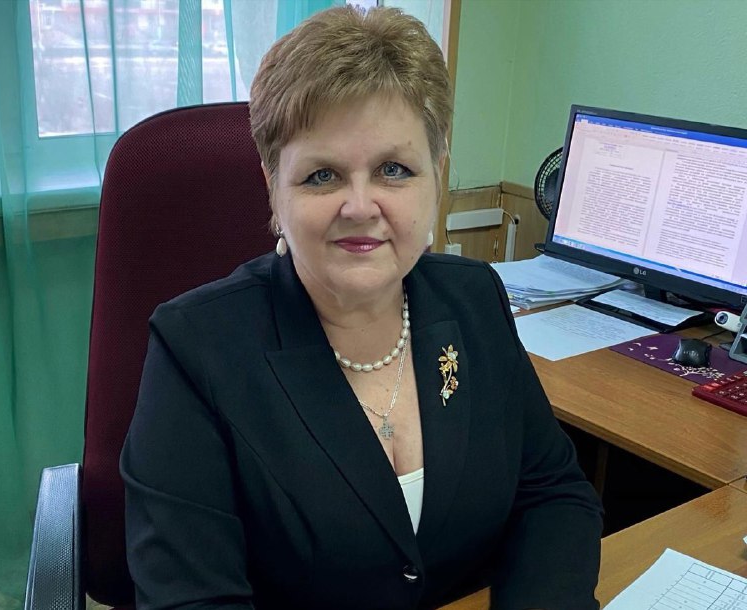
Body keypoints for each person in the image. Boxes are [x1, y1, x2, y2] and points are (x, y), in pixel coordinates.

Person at [121, 6, 603, 609]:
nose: (359, 206)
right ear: (273, 186)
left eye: (393, 170)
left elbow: (552, 494)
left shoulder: (474, 298)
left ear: (436, 176)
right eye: (322, 175)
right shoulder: (196, 350)